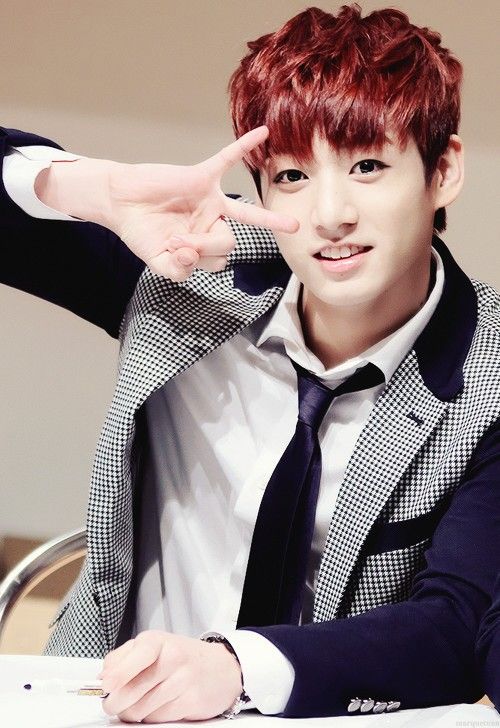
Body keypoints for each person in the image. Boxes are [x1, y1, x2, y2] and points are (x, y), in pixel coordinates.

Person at [1, 4, 500, 722]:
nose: (331, 214)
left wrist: (236, 669)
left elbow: (453, 625)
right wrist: (96, 190)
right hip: (107, 710)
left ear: (443, 170)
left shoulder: (490, 374)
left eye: (367, 166)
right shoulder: (192, 272)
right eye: (293, 176)